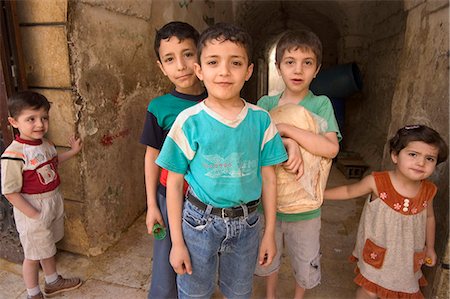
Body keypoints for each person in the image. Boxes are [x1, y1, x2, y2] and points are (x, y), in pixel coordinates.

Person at [156, 22, 288, 299]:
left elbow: (269, 177)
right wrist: (176, 242)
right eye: (214, 62)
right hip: (198, 223)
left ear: (249, 71)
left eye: (235, 62)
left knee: (239, 292)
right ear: (200, 71)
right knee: (194, 292)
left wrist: (270, 233)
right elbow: (175, 184)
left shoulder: (261, 121)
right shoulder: (188, 122)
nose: (224, 71)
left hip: (248, 224)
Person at [254, 29, 341, 299]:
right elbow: (257, 146)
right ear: (278, 66)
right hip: (267, 202)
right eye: (290, 62)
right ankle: (270, 295)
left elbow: (330, 148)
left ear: (317, 69)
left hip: (306, 206)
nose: (298, 69)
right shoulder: (266, 104)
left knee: (305, 260)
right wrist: (288, 143)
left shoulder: (321, 104)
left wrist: (286, 129)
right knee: (268, 256)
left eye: (307, 63)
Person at [324, 125, 448, 299]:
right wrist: (320, 196)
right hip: (378, 253)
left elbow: (429, 218)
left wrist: (431, 248)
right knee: (369, 290)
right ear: (395, 155)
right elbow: (348, 191)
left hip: (407, 256)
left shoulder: (428, 191)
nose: (421, 163)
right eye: (413, 154)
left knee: (404, 290)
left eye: (430, 158)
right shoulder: (376, 182)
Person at [140, 21, 206, 298]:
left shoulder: (217, 101)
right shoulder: (160, 108)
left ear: (201, 56)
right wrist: (152, 204)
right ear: (161, 66)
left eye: (188, 54)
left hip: (207, 201)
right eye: (170, 58)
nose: (180, 65)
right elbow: (152, 156)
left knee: (201, 259)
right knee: (167, 257)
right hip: (169, 198)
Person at [1, 91, 82, 299]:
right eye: (31, 119)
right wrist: (34, 214)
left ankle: (53, 281)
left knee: (47, 247)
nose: (40, 124)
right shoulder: (14, 154)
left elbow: (53, 162)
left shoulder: (45, 144)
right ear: (14, 121)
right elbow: (10, 191)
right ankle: (33, 293)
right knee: (32, 255)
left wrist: (72, 152)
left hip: (52, 201)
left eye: (44, 118)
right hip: (32, 208)